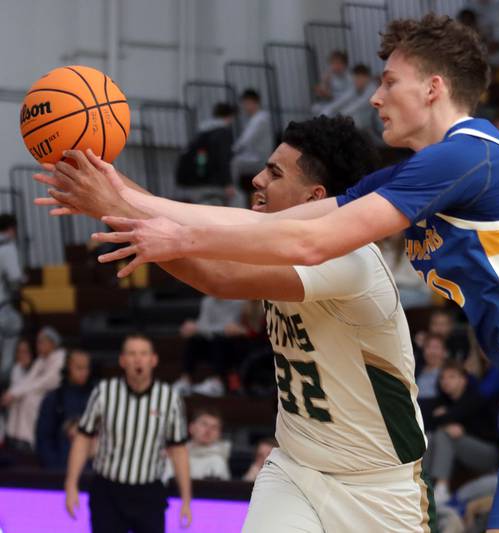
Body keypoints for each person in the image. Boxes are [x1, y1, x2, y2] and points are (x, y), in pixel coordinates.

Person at [40, 14, 499, 533]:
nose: (376, 98)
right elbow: (269, 226)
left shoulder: (469, 153)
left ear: (433, 88)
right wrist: (118, 195)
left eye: (388, 82)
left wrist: (173, 233)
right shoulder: (419, 174)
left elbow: (309, 237)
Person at [41, 116, 434, 532]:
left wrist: (108, 205)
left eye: (275, 173)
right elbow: (178, 220)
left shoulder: (350, 259)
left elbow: (218, 277)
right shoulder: (269, 241)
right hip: (297, 468)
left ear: (314, 196)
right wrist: (106, 179)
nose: (258, 179)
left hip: (376, 487)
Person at [65, 334, 192, 532]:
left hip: (149, 492)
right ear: (122, 361)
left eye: (143, 353)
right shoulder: (104, 392)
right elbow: (83, 438)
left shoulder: (170, 399)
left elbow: (179, 450)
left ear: (153, 360)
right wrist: (71, 484)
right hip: (108, 490)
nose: (138, 359)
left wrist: (186, 500)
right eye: (132, 354)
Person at [424, 360, 499, 504]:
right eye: (442, 378)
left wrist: (447, 422)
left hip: (488, 453)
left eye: (452, 377)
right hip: (461, 452)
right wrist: (445, 424)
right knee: (431, 437)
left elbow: (453, 416)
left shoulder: (474, 397)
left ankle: (441, 488)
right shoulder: (443, 401)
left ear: (463, 380)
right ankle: (423, 484)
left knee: (443, 435)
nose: (446, 381)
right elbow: (429, 422)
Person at [2, 327, 66, 450]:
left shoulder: (60, 358)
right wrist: (12, 393)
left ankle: (30, 441)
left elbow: (45, 382)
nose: (38, 345)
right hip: (39, 392)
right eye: (37, 342)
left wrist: (15, 393)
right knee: (19, 398)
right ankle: (15, 438)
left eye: (41, 342)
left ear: (52, 343)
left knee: (30, 399)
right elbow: (29, 380)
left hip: (55, 397)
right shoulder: (40, 361)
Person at [175, 294, 246, 396]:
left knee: (220, 340)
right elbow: (205, 324)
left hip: (231, 343)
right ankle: (185, 381)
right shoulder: (207, 301)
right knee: (193, 341)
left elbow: (231, 328)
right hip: (213, 340)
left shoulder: (238, 302)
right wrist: (194, 327)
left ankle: (217, 382)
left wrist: (198, 327)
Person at [35, 349, 92, 470]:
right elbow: (43, 438)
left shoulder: (97, 398)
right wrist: (55, 467)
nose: (84, 372)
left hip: (91, 470)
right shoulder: (53, 399)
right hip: (60, 468)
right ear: (67, 368)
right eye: (79, 367)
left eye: (86, 368)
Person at [176, 102, 237, 205]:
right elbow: (223, 159)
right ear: (230, 116)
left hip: (197, 180)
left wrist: (201, 172)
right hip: (213, 183)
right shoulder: (223, 133)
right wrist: (228, 183)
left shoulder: (204, 131)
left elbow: (201, 156)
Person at [163, 407, 231, 481]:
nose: (208, 430)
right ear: (191, 428)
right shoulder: (173, 454)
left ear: (219, 434)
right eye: (204, 424)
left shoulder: (218, 460)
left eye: (214, 427)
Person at [231, 89, 273, 198]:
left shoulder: (260, 119)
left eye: (245, 104)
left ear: (252, 102)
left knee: (234, 163)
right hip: (254, 157)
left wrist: (231, 150)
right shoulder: (257, 118)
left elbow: (245, 141)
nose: (244, 107)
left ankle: (235, 193)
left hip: (259, 159)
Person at [0, 214, 24, 383]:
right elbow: (15, 278)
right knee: (7, 354)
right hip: (2, 308)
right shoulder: (7, 246)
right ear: (12, 229)